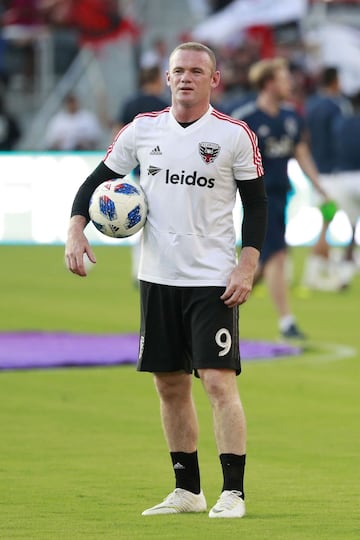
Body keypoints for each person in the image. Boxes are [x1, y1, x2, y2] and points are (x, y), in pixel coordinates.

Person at [65, 41, 267, 518]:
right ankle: (188, 490)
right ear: (166, 76)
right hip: (156, 277)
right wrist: (76, 229)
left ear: (213, 80)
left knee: (218, 383)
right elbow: (93, 184)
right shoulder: (141, 131)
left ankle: (233, 493)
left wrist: (248, 263)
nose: (186, 78)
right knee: (169, 385)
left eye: (197, 71)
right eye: (178, 70)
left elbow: (257, 206)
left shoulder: (235, 135)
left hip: (212, 279)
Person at [230, 57, 330, 340]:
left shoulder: (290, 117)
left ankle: (223, 305)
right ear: (269, 83)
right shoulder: (245, 117)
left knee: (262, 261)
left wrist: (320, 186)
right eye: (285, 78)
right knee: (277, 255)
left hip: (280, 196)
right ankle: (287, 322)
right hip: (255, 198)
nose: (291, 83)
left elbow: (301, 153)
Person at [113, 64, 170, 283]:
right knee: (157, 221)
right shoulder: (163, 106)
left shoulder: (130, 103)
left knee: (139, 219)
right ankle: (154, 269)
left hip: (136, 170)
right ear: (157, 79)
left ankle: (138, 268)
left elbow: (117, 134)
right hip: (161, 172)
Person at [302, 66, 353, 291]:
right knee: (327, 223)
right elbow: (343, 136)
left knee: (326, 221)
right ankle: (312, 274)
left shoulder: (310, 105)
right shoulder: (337, 106)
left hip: (316, 171)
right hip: (334, 174)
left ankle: (321, 272)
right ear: (335, 81)